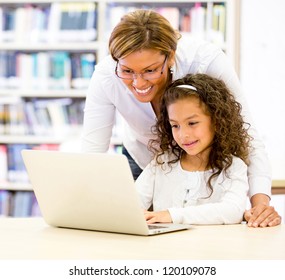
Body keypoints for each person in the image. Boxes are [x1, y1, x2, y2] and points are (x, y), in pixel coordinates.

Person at [82, 9, 281, 227]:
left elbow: (246, 134)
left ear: (171, 56)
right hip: (146, 158)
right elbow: (93, 153)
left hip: (209, 162)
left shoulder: (206, 60)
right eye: (128, 71)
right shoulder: (105, 76)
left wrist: (259, 205)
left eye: (150, 70)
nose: (138, 83)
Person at [135, 73, 250, 225]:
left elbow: (232, 211)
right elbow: (132, 205)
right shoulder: (162, 162)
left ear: (217, 120)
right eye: (175, 125)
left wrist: (170, 215)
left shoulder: (233, 167)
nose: (183, 135)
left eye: (192, 123)